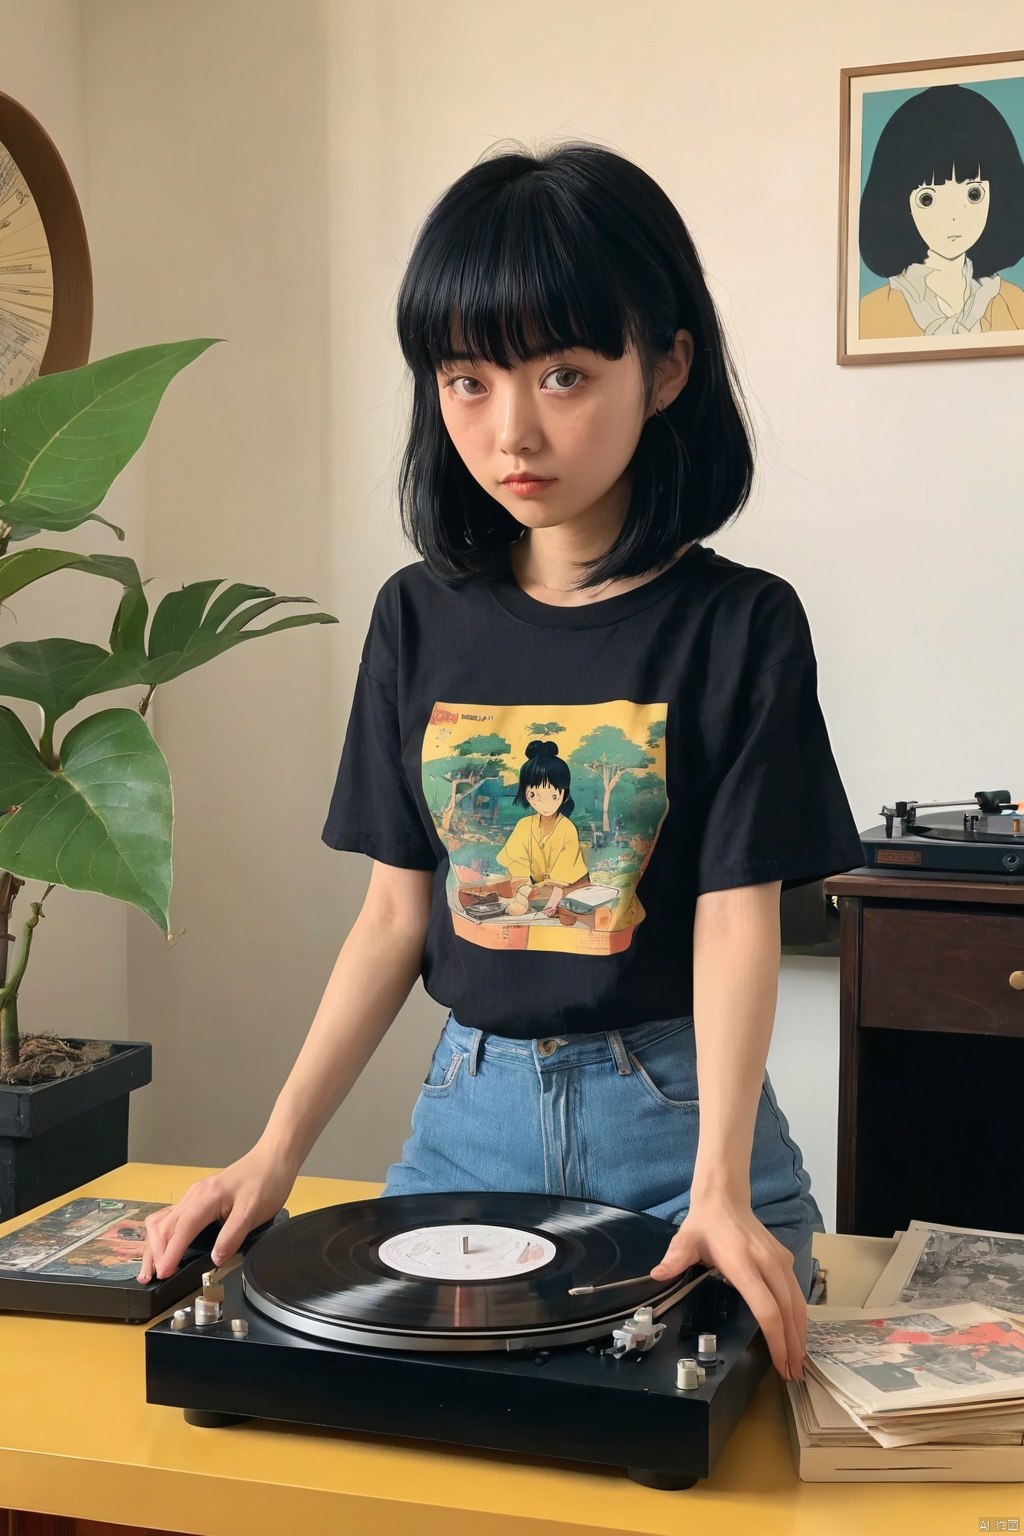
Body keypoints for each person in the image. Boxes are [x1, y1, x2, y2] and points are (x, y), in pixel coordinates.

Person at [139, 141, 864, 1384]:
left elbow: (733, 918)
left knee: (687, 1442)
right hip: (465, 1116)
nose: (509, 429)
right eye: (466, 381)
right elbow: (389, 921)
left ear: (668, 367)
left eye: (564, 374)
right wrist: (273, 1156)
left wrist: (723, 1186)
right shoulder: (417, 620)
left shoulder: (740, 624)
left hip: (678, 1112)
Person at [859, 84, 1024, 339]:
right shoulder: (867, 316)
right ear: (899, 202)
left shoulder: (1016, 306)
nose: (953, 217)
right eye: (927, 199)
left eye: (973, 194)